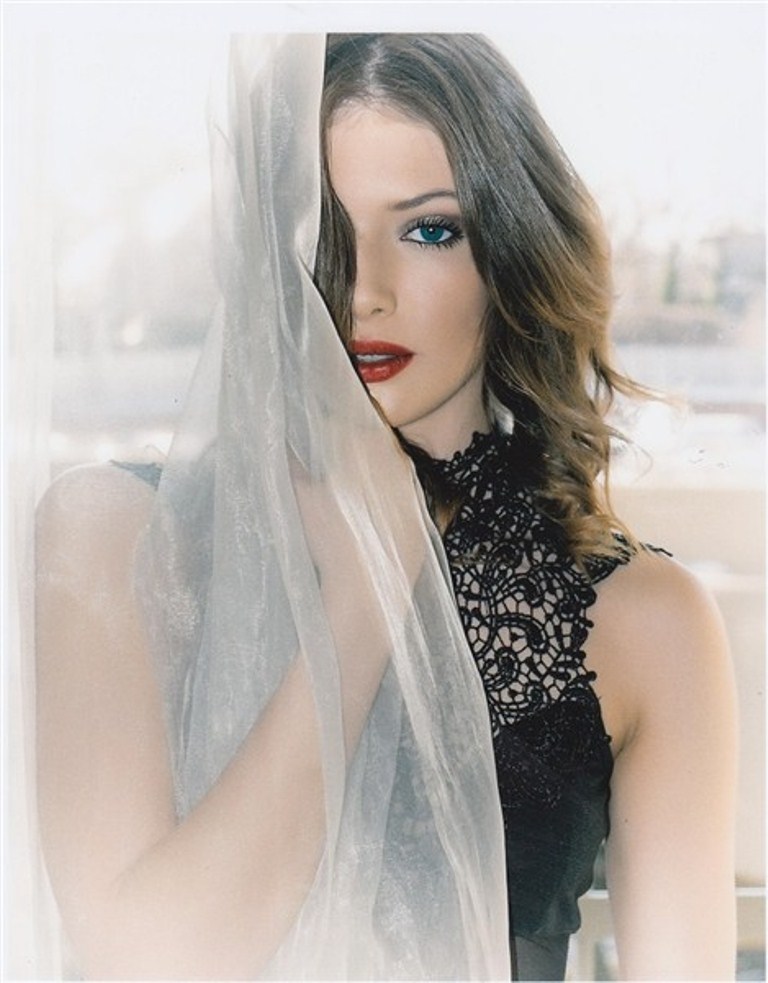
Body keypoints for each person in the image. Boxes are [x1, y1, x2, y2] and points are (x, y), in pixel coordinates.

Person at [33, 33, 737, 981]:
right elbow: (152, 962)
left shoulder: (648, 622)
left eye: (430, 230)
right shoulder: (109, 535)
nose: (363, 290)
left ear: (510, 252)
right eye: (321, 232)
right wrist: (367, 591)